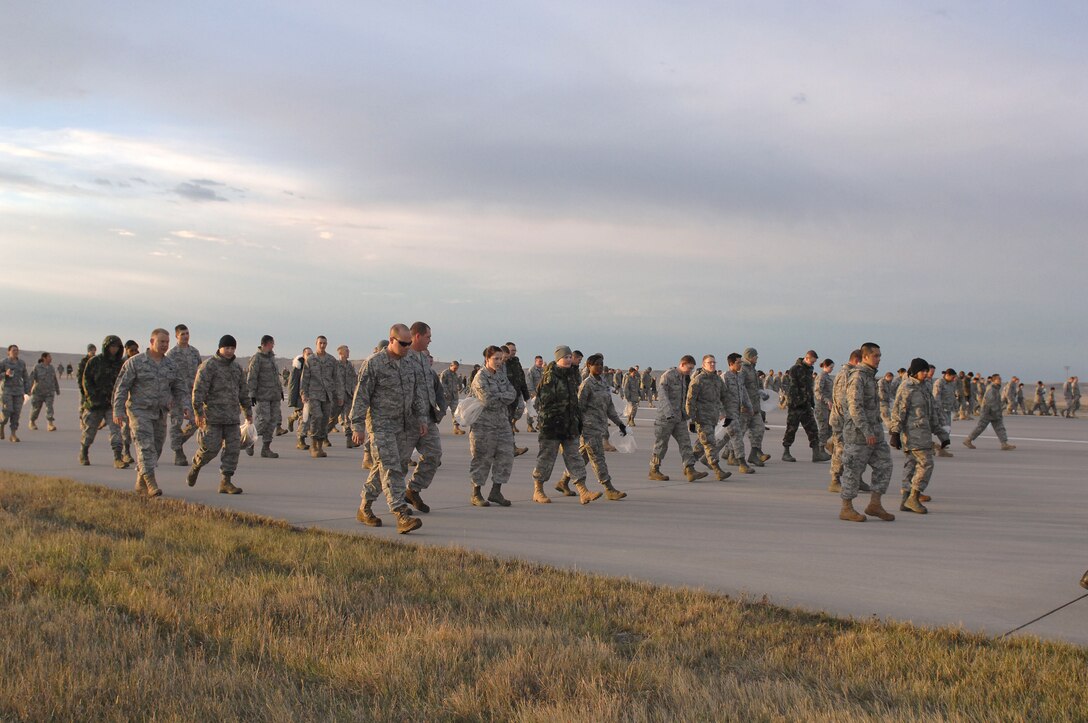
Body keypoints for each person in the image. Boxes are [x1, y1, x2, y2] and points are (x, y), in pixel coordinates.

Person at [351, 324, 426, 534]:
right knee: (391, 467)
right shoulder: (374, 364)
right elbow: (361, 396)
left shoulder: (410, 361)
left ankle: (364, 507)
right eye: (403, 344)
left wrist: (421, 418)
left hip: (403, 424)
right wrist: (357, 425)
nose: (407, 347)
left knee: (388, 467)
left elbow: (417, 392)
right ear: (391, 340)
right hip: (380, 425)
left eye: (409, 344)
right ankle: (401, 514)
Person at [112, 328, 192, 497]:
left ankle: (140, 482)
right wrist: (118, 410)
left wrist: (186, 406)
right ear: (151, 342)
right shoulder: (135, 362)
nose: (164, 345)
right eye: (161, 342)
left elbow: (180, 388)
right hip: (139, 411)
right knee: (145, 446)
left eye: (167, 342)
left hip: (160, 412)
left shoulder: (170, 365)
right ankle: (151, 482)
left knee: (156, 447)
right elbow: (121, 387)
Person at [185, 335, 253, 494]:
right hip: (213, 417)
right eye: (227, 348)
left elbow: (243, 392)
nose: (229, 351)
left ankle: (226, 481)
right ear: (220, 348)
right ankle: (196, 466)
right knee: (211, 448)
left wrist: (248, 412)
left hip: (232, 418)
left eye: (232, 348)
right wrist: (198, 412)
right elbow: (198, 390)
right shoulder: (208, 366)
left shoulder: (236, 368)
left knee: (233, 449)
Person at [556, 352, 628, 500]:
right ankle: (609, 488)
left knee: (582, 458)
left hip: (600, 426)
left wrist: (620, 424)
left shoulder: (603, 383)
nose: (600, 367)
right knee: (598, 458)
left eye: (602, 365)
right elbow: (579, 407)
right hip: (588, 428)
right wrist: (577, 427)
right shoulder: (587, 384)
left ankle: (563, 481)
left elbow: (609, 407)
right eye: (597, 365)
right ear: (589, 366)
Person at [530, 345, 595, 504]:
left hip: (570, 424)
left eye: (569, 357)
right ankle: (538, 490)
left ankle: (583, 491)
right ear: (558, 359)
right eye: (565, 357)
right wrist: (554, 417)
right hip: (552, 426)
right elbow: (544, 402)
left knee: (575, 457)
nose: (568, 359)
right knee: (546, 458)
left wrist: (576, 420)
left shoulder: (572, 375)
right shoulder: (550, 376)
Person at [839, 342, 895, 523]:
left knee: (885, 465)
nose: (878, 359)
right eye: (875, 356)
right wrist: (866, 431)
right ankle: (846, 508)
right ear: (865, 357)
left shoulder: (871, 377)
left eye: (879, 356)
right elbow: (855, 408)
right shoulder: (858, 378)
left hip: (875, 433)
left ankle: (875, 504)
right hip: (859, 434)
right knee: (853, 470)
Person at [890, 358, 951, 514]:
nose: (926, 373)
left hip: (924, 433)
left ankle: (905, 499)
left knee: (911, 465)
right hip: (913, 434)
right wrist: (895, 433)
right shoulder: (907, 387)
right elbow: (898, 411)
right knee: (927, 463)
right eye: (923, 371)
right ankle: (913, 497)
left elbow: (932, 414)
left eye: (927, 371)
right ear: (915, 371)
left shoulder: (924, 388)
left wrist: (942, 435)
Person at [403, 321, 446, 514]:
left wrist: (440, 407)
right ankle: (394, 503)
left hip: (427, 418)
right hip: (407, 419)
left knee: (434, 454)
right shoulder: (403, 357)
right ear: (417, 336)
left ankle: (413, 490)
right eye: (428, 336)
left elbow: (433, 384)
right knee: (398, 462)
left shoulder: (422, 357)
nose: (430, 340)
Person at [467, 345, 517, 507]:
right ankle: (476, 493)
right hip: (483, 425)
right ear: (487, 359)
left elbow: (513, 393)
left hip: (502, 423)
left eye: (501, 359)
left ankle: (496, 491)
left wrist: (501, 397)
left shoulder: (501, 375)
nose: (499, 362)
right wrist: (503, 397)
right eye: (495, 359)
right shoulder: (481, 377)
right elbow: (487, 400)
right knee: (482, 458)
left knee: (505, 456)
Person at [647, 355, 708, 483]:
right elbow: (662, 395)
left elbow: (685, 398)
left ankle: (690, 469)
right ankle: (654, 470)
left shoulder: (684, 378)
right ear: (682, 364)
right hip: (665, 418)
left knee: (685, 443)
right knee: (661, 445)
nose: (690, 371)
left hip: (679, 418)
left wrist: (688, 416)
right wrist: (669, 413)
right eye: (689, 368)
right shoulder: (668, 376)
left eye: (692, 369)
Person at [79, 335, 127, 467]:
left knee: (116, 430)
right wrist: (92, 397)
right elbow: (86, 380)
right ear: (106, 347)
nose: (114, 350)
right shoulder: (95, 361)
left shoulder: (121, 364)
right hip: (95, 403)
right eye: (112, 347)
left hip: (112, 404)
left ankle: (118, 457)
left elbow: (124, 382)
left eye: (117, 347)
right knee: (90, 430)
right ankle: (84, 452)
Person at [685, 355, 733, 480]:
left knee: (701, 445)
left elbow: (725, 397)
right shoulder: (698, 380)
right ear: (703, 364)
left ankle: (688, 467)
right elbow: (690, 401)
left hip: (713, 418)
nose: (712, 364)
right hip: (702, 418)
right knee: (710, 443)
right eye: (709, 362)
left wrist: (728, 413)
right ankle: (718, 470)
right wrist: (691, 420)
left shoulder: (717, 380)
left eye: (714, 362)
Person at [781, 350, 830, 463]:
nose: (813, 364)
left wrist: (811, 403)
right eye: (812, 361)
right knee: (791, 429)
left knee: (813, 429)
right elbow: (792, 388)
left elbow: (809, 388)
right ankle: (786, 452)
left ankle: (816, 454)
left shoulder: (809, 370)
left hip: (806, 405)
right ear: (807, 358)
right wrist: (796, 402)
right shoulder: (795, 369)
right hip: (796, 406)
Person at [164, 325, 201, 466]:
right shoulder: (171, 354)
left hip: (192, 393)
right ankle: (178, 452)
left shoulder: (194, 352)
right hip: (176, 395)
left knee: (195, 422)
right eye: (182, 334)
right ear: (176, 336)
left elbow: (199, 372)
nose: (185, 336)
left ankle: (178, 441)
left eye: (187, 333)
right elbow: (166, 377)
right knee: (176, 423)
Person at [301, 336, 344, 458]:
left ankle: (320, 446)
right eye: (320, 343)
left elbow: (337, 379)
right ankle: (313, 445)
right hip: (314, 394)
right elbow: (305, 378)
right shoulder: (310, 359)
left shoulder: (331, 360)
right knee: (317, 417)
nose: (322, 345)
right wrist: (303, 393)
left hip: (327, 394)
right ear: (316, 344)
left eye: (324, 343)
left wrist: (339, 395)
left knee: (325, 419)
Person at [246, 335, 284, 458]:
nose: (273, 346)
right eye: (272, 343)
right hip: (262, 396)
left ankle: (266, 448)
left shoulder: (271, 358)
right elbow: (252, 377)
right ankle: (249, 441)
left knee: (272, 421)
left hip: (274, 396)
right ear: (266, 344)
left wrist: (280, 390)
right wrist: (251, 394)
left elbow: (275, 376)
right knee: (263, 420)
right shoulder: (257, 358)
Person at [963, 374, 1016, 451]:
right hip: (987, 413)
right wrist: (997, 411)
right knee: (980, 427)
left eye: (1000, 379)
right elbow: (991, 403)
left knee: (1000, 428)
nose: (1000, 380)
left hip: (994, 413)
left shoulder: (996, 389)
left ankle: (1004, 444)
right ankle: (968, 440)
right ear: (994, 380)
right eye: (998, 379)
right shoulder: (991, 389)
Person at [720, 353, 753, 474]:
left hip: (737, 411)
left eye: (741, 363)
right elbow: (719, 396)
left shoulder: (739, 377)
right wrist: (722, 413)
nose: (740, 365)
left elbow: (743, 392)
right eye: (738, 363)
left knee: (725, 438)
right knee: (737, 436)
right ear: (731, 364)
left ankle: (705, 457)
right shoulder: (725, 377)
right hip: (728, 413)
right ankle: (742, 463)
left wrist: (749, 407)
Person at [738, 348, 770, 467]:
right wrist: (742, 404)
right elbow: (740, 388)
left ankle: (753, 455)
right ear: (750, 356)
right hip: (745, 408)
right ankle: (731, 455)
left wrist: (761, 393)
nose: (757, 358)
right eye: (755, 356)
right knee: (739, 433)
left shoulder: (752, 369)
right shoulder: (743, 369)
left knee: (759, 429)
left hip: (755, 407)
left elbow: (753, 387)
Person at [504, 341, 530, 455]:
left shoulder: (516, 362)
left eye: (515, 350)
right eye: (511, 350)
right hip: (505, 398)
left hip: (516, 395)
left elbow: (521, 379)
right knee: (505, 423)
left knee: (511, 418)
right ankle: (512, 448)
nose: (513, 353)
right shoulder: (501, 363)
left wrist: (527, 397)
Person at [0, 345, 31, 442]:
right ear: (8, 352)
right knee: (7, 411)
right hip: (6, 391)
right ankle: (1, 425)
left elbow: (26, 377)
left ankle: (13, 434)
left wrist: (27, 389)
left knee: (16, 413)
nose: (15, 352)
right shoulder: (4, 362)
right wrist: (5, 374)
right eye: (13, 350)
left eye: (17, 350)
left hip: (18, 392)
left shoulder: (21, 363)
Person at [28, 352, 60, 431]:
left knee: (49, 408)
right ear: (44, 358)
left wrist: (57, 389)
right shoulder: (37, 367)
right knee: (36, 409)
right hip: (38, 392)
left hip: (49, 392)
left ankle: (50, 424)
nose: (51, 358)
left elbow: (54, 379)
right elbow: (31, 378)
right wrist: (28, 389)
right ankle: (32, 422)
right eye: (49, 357)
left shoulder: (51, 367)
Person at [335, 345, 358, 447]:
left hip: (348, 394)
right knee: (333, 419)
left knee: (348, 417)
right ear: (340, 353)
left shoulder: (349, 365)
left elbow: (354, 379)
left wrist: (354, 391)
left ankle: (349, 439)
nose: (348, 352)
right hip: (338, 395)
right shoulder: (335, 365)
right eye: (346, 351)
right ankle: (322, 436)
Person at [287, 347, 311, 443]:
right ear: (304, 355)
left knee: (306, 416)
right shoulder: (298, 368)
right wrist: (293, 401)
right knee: (304, 418)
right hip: (300, 397)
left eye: (311, 354)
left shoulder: (313, 367)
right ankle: (300, 441)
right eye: (308, 354)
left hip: (311, 397)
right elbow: (292, 385)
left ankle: (291, 418)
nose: (310, 356)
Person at [814, 358, 835, 452]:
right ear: (825, 366)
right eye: (831, 367)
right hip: (822, 407)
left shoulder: (827, 376)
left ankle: (829, 446)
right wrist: (827, 400)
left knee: (830, 428)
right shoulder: (821, 376)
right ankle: (820, 449)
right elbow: (817, 392)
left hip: (828, 407)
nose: (832, 369)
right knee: (823, 428)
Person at [440, 361, 465, 434]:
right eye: (454, 368)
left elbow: (458, 384)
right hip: (446, 397)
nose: (455, 370)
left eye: (457, 368)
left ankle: (456, 428)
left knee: (456, 412)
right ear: (451, 366)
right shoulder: (445, 373)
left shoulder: (455, 374)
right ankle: (431, 426)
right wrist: (445, 393)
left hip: (454, 396)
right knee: (440, 412)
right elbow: (442, 384)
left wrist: (460, 385)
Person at [525, 355, 545, 432]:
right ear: (535, 362)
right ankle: (530, 425)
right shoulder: (531, 370)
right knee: (531, 409)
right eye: (539, 361)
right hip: (533, 393)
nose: (541, 363)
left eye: (542, 361)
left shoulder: (543, 370)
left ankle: (539, 424)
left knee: (542, 409)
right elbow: (529, 382)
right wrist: (532, 392)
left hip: (541, 393)